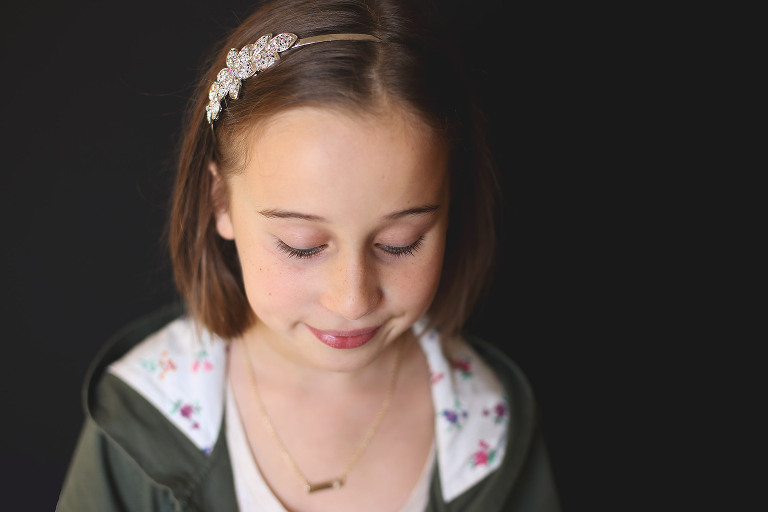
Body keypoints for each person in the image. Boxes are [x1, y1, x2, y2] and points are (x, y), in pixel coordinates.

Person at [57, 0, 560, 510]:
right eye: (302, 247)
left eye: (399, 242)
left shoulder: (487, 426)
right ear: (220, 203)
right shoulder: (145, 413)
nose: (352, 299)